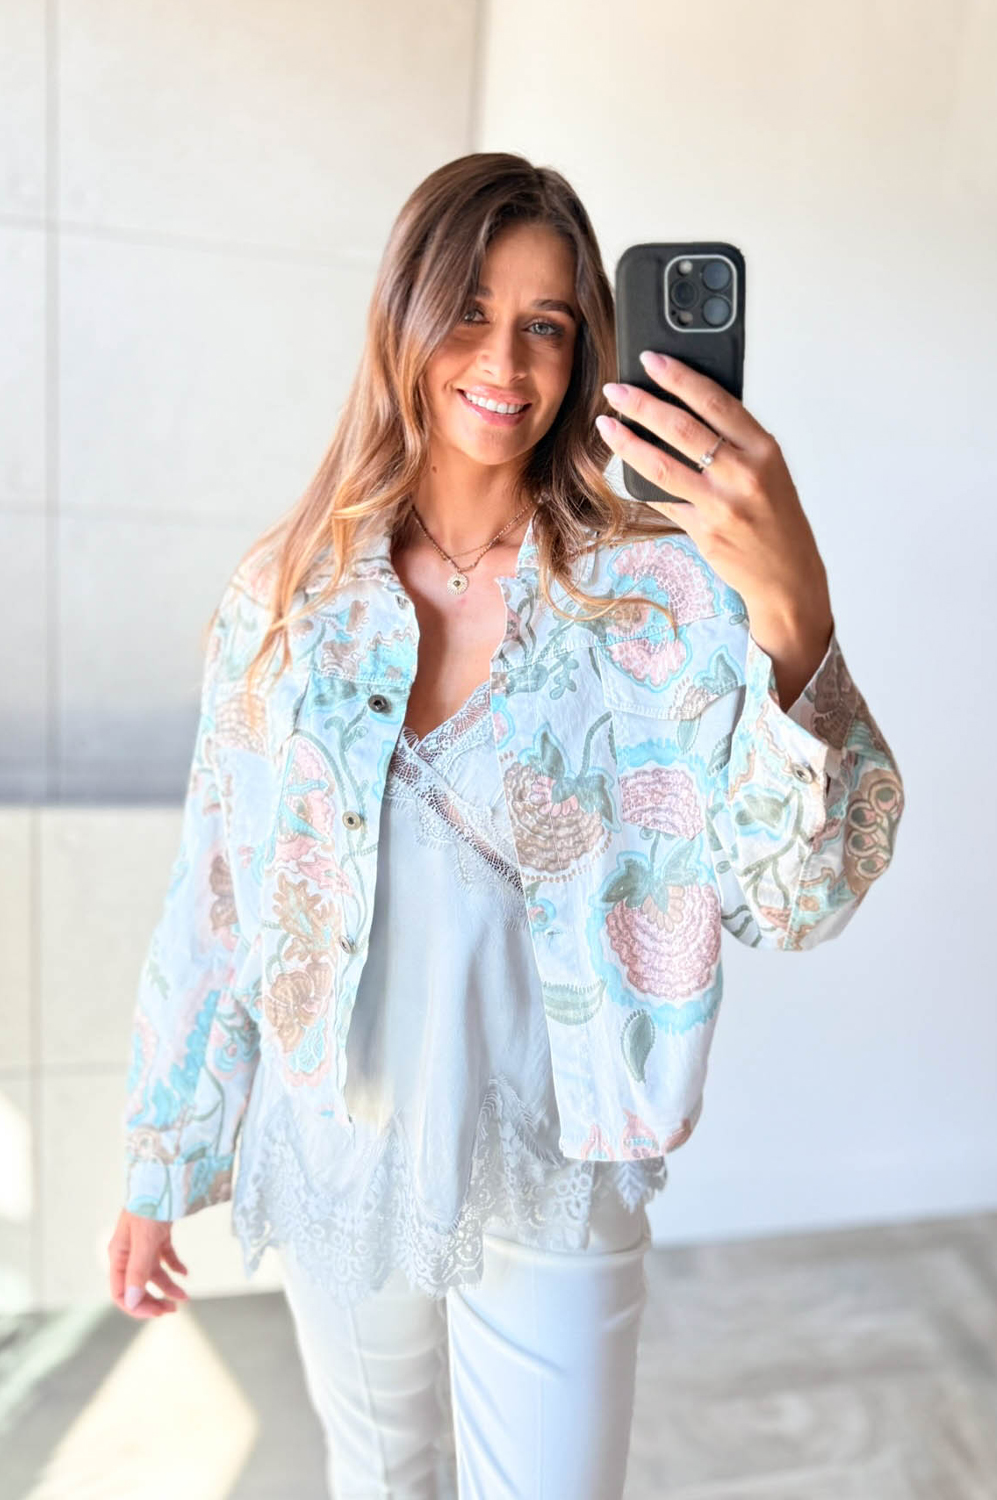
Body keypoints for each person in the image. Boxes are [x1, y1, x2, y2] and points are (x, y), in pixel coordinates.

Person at [106, 152, 905, 1498]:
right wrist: (159, 1157)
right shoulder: (287, 593)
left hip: (557, 1157)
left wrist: (794, 608)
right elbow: (222, 890)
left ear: (589, 351)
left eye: (548, 324)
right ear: (403, 320)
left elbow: (798, 899)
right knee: (379, 1476)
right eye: (469, 311)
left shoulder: (662, 595)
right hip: (336, 1138)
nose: (505, 362)